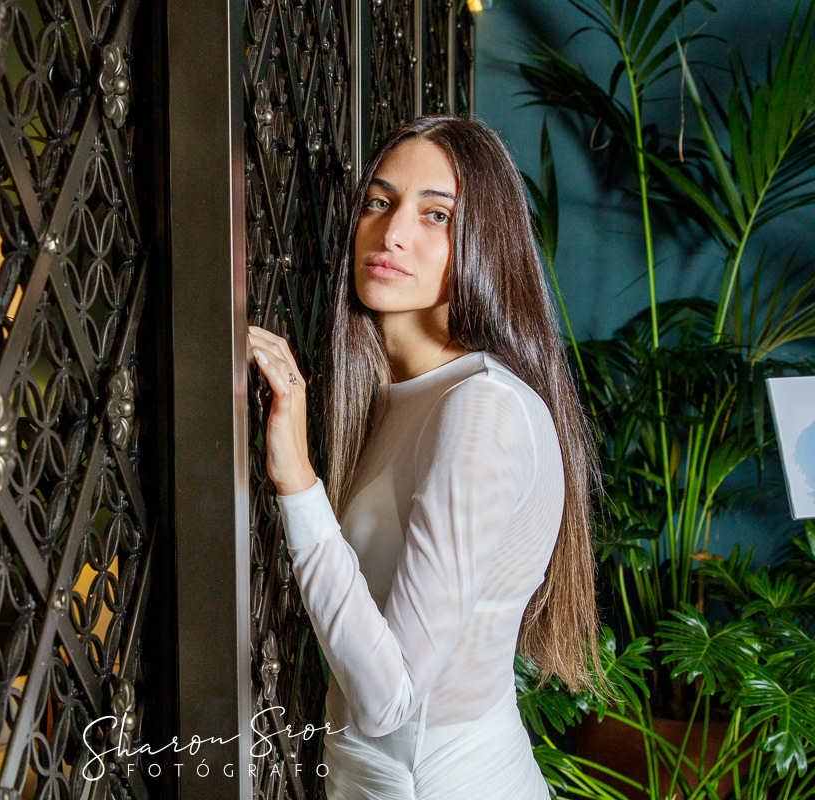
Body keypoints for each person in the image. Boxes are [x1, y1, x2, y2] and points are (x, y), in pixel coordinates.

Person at [247, 115, 603, 799]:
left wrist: (297, 481)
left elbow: (390, 699)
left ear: (485, 241)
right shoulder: (405, 396)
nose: (392, 232)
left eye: (436, 214)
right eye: (379, 202)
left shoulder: (481, 408)